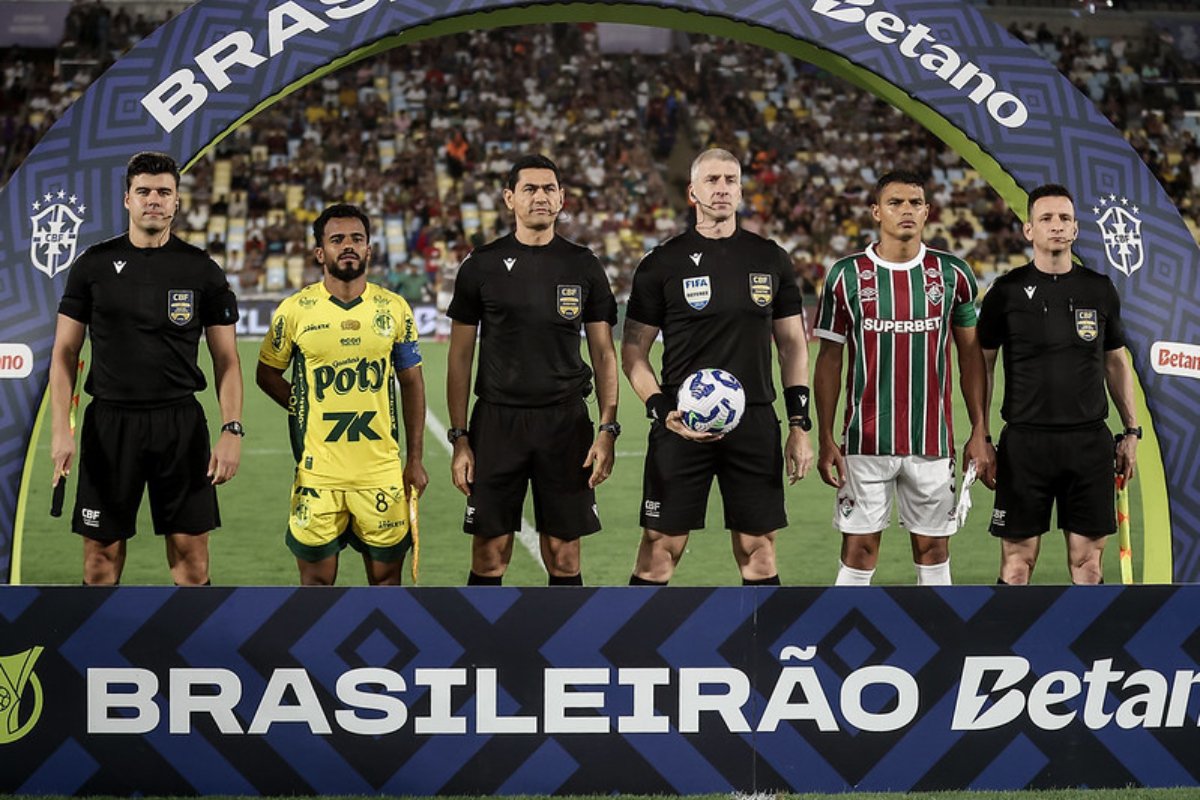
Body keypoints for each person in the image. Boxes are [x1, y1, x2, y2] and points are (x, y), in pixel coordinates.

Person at [622, 147, 814, 586]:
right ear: (692, 191)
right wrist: (659, 408)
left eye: (730, 180)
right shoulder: (661, 263)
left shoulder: (770, 258)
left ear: (741, 191)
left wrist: (799, 425)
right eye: (712, 180)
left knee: (759, 549)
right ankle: (638, 651)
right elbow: (633, 350)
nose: (722, 188)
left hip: (755, 422)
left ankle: (759, 654)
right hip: (678, 423)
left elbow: (792, 346)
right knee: (659, 547)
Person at [49, 150, 242, 586]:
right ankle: (95, 652)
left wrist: (232, 429)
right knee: (100, 561)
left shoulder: (202, 271)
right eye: (144, 191)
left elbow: (227, 360)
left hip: (180, 425)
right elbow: (64, 353)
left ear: (176, 201)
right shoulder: (92, 266)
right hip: (109, 424)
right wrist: (62, 430)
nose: (153, 199)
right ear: (127, 200)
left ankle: (192, 653)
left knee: (192, 560)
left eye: (163, 192)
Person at [446, 153, 619, 586]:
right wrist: (460, 438)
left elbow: (603, 353)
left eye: (549, 189)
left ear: (561, 199)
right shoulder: (481, 264)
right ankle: (482, 651)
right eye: (529, 189)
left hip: (565, 423)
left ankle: (564, 652)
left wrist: (607, 429)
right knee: (489, 553)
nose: (540, 197)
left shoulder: (584, 265)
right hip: (497, 423)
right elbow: (459, 357)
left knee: (564, 555)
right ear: (509, 198)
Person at [813, 170, 992, 586]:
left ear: (928, 211)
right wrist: (825, 436)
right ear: (876, 211)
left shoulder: (953, 274)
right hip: (864, 441)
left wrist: (979, 430)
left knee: (934, 548)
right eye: (895, 203)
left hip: (932, 440)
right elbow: (829, 359)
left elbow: (970, 355)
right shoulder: (846, 275)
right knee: (859, 549)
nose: (906, 211)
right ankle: (847, 645)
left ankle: (937, 645)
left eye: (915, 203)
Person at [257, 203, 428, 585]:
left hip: (380, 473)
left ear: (369, 249)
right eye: (337, 240)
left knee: (386, 586)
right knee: (316, 589)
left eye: (357, 239)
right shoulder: (295, 310)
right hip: (319, 475)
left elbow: (412, 382)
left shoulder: (394, 309)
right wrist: (303, 407)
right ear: (320, 252)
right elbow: (266, 372)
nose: (347, 246)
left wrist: (414, 458)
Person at [977, 184, 1138, 584]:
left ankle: (1090, 649)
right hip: (1025, 443)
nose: (1057, 226)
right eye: (1046, 218)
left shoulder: (1099, 288)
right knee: (1017, 565)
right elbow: (983, 364)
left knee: (1088, 565)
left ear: (1076, 229)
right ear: (1029, 230)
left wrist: (1131, 430)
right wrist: (980, 434)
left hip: (1087, 443)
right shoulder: (1006, 292)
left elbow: (1115, 362)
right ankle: (1010, 647)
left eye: (1065, 218)